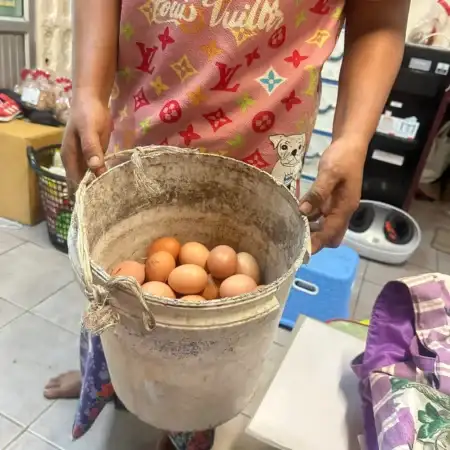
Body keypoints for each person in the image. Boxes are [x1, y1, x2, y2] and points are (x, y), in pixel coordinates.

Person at [44, 0, 410, 449]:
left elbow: (381, 22)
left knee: (210, 340)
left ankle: (182, 426)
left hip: (258, 153)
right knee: (116, 294)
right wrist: (87, 90)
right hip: (141, 133)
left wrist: (353, 139)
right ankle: (103, 381)